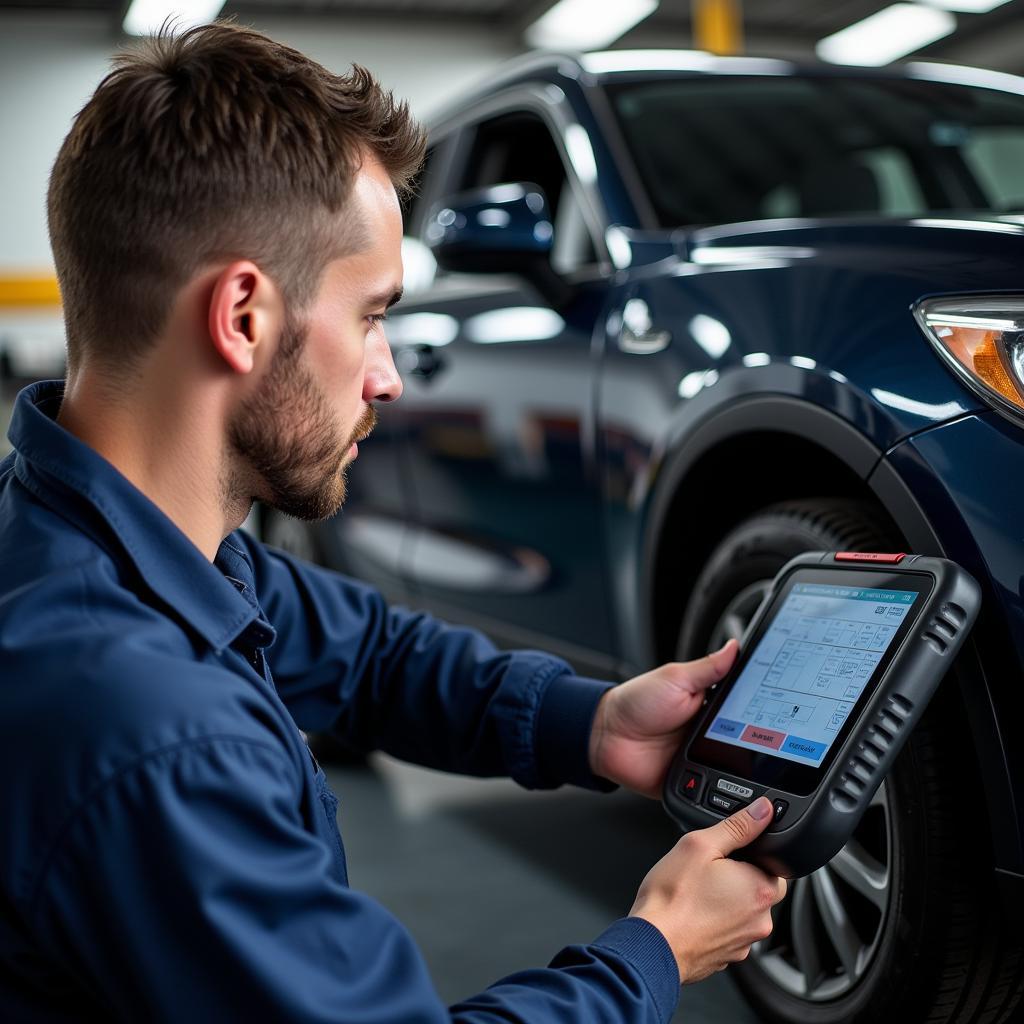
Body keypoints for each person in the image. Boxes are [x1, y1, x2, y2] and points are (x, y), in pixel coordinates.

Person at [0, 22, 786, 1022]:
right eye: (371, 314)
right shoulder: (148, 729)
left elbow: (368, 652)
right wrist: (655, 950)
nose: (391, 375)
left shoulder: (80, 530)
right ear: (243, 315)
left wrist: (587, 722)